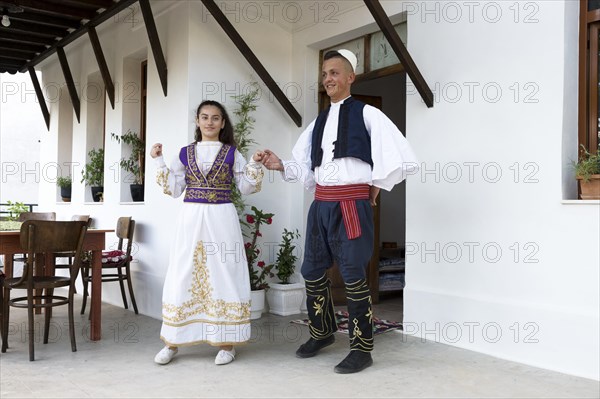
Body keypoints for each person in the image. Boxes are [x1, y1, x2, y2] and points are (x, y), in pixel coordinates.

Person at [260, 49, 419, 374]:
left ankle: (362, 347)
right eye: (324, 73)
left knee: (353, 275)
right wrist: (279, 165)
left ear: (350, 77)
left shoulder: (368, 114)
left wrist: (375, 186)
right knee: (313, 271)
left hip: (351, 206)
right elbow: (304, 167)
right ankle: (323, 332)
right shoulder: (318, 122)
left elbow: (399, 156)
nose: (328, 78)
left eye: (335, 72)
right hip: (321, 206)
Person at [150, 100, 265, 366]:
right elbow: (174, 189)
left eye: (215, 118)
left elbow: (246, 188)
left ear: (223, 123)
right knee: (183, 272)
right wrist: (158, 161)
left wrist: (256, 165)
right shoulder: (184, 153)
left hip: (222, 218)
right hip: (190, 219)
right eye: (205, 117)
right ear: (197, 121)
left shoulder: (232, 154)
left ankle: (227, 343)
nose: (210, 122)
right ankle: (172, 341)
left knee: (224, 272)